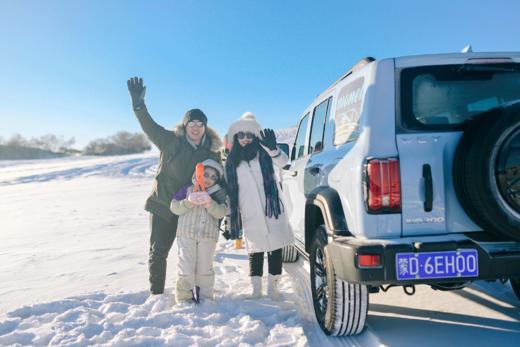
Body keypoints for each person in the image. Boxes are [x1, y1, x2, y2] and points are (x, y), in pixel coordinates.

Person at [127, 77, 223, 295]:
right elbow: (149, 127)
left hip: (191, 209)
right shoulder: (169, 141)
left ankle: (196, 293)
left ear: (205, 127)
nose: (196, 128)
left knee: (194, 254)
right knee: (159, 250)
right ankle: (157, 294)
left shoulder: (212, 152)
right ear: (185, 125)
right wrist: (138, 104)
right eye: (192, 124)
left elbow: (219, 180)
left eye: (200, 124)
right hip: (163, 204)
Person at [225, 112, 294, 300]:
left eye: (249, 135)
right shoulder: (232, 161)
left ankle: (274, 289)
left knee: (275, 249)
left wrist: (274, 149)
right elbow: (231, 191)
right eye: (241, 135)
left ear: (255, 135)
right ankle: (256, 290)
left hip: (272, 209)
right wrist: (231, 217)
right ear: (236, 137)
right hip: (249, 210)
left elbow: (284, 162)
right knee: (255, 250)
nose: (245, 139)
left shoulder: (264, 152)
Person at [170, 159, 227, 303]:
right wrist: (189, 202)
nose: (208, 179)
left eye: (213, 177)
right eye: (206, 174)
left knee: (205, 269)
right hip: (186, 235)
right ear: (198, 173)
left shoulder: (218, 193)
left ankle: (205, 298)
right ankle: (184, 299)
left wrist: (210, 203)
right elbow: (174, 207)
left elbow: (221, 213)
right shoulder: (187, 189)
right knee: (186, 268)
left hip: (208, 236)